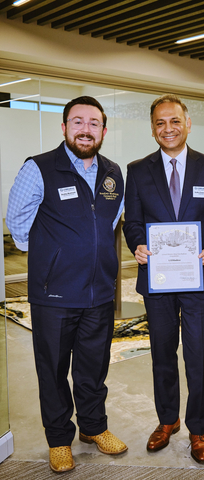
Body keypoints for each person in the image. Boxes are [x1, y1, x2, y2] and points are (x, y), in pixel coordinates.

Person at [6, 96, 127, 473]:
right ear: (64, 128)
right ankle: (59, 438)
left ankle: (93, 427)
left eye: (93, 123)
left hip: (99, 293)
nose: (85, 129)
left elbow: (109, 223)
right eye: (77, 122)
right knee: (54, 369)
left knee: (94, 367)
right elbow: (17, 222)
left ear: (103, 131)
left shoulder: (112, 172)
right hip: (54, 295)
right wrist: (53, 254)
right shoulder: (39, 168)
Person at [123, 94, 204, 464]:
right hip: (158, 280)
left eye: (174, 121)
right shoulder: (136, 170)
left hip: (198, 279)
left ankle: (198, 428)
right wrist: (136, 243)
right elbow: (132, 221)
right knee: (162, 354)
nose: (167, 129)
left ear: (187, 124)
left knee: (200, 355)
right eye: (160, 123)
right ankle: (168, 420)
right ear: (153, 128)